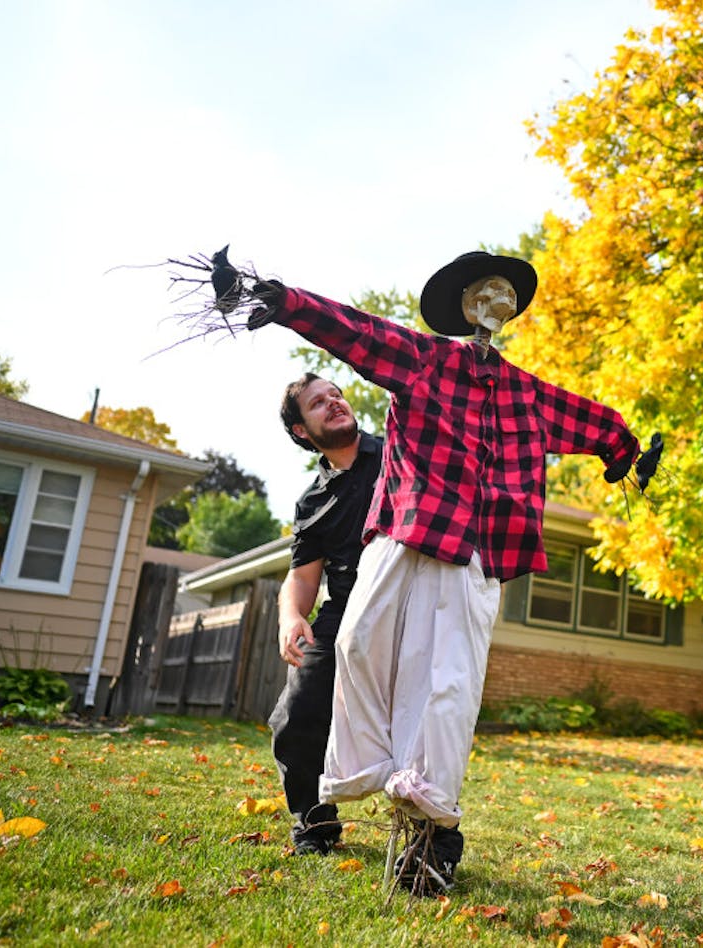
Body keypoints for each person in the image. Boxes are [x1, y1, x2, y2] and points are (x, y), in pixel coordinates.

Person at [243, 251, 642, 896]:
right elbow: (357, 331)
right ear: (461, 309)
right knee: (354, 648)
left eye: (505, 297)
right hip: (407, 540)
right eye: (482, 294)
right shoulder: (426, 362)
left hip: (475, 560)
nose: (495, 305)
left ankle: (428, 840)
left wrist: (624, 448)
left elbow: (588, 418)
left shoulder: (528, 394)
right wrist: (286, 302)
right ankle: (348, 789)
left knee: (447, 694)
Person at [267, 373, 387, 857]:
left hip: (410, 601)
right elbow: (300, 577)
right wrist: (290, 617)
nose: (334, 402)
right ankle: (314, 824)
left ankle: (432, 836)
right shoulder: (312, 501)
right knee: (293, 715)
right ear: (301, 430)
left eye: (336, 394)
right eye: (318, 403)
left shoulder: (398, 453)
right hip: (344, 612)